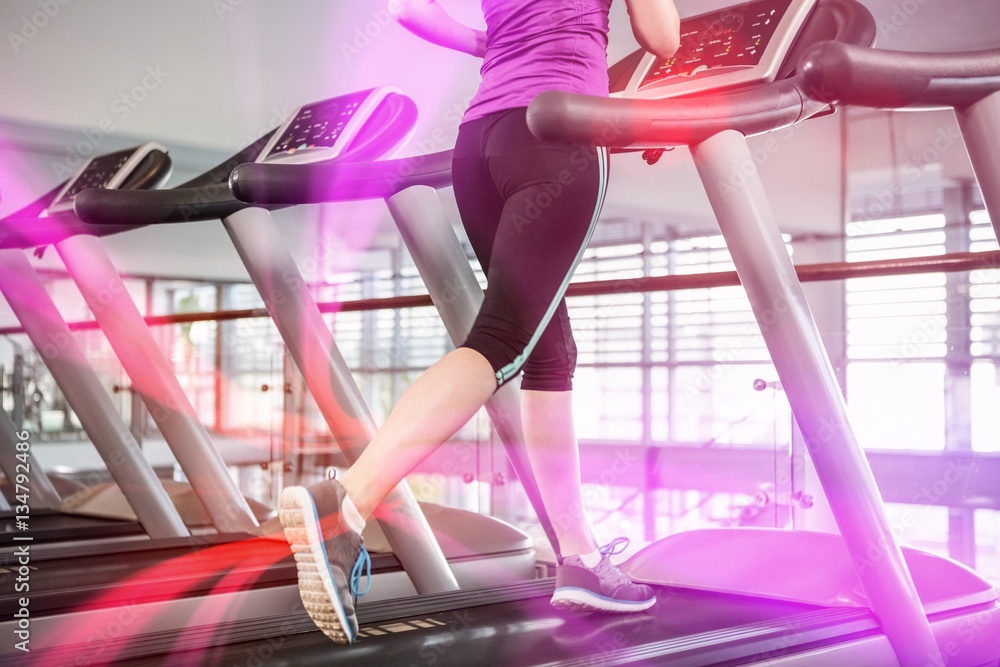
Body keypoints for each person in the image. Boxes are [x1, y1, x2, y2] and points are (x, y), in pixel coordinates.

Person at [278, 0, 680, 645]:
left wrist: (490, 41)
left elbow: (409, 11)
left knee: (551, 352)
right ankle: (347, 499)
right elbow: (661, 37)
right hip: (562, 129)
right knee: (502, 341)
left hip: (481, 141)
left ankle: (577, 556)